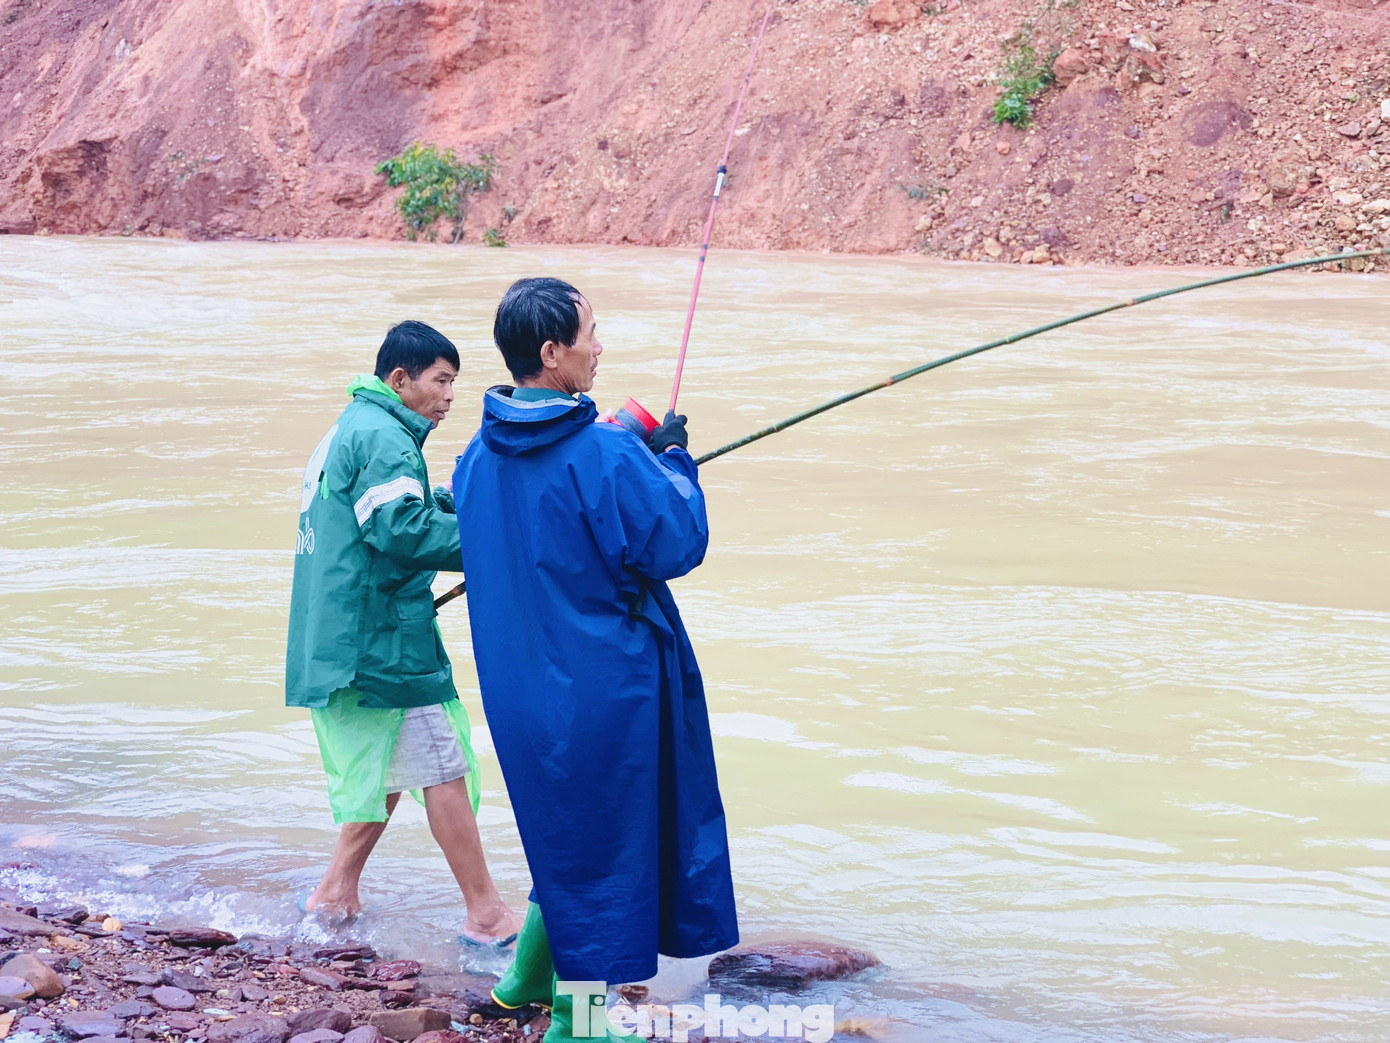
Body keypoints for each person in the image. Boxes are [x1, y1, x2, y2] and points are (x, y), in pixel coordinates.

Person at [451, 278, 738, 1040]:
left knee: (566, 829)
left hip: (518, 688)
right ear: (552, 353)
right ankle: (578, 1024)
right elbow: (677, 540)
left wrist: (642, 459)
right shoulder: (606, 448)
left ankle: (524, 979)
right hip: (605, 687)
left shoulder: (473, 458)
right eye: (590, 333)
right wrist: (675, 458)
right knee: (606, 849)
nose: (598, 346)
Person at [285, 319, 521, 945]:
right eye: (441, 382)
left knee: (394, 760)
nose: (449, 397)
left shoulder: (358, 425)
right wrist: (503, 540)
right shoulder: (385, 437)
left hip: (351, 630)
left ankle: (335, 892)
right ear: (400, 379)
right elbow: (400, 530)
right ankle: (488, 915)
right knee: (441, 761)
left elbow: (399, 511)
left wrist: (459, 502)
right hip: (378, 635)